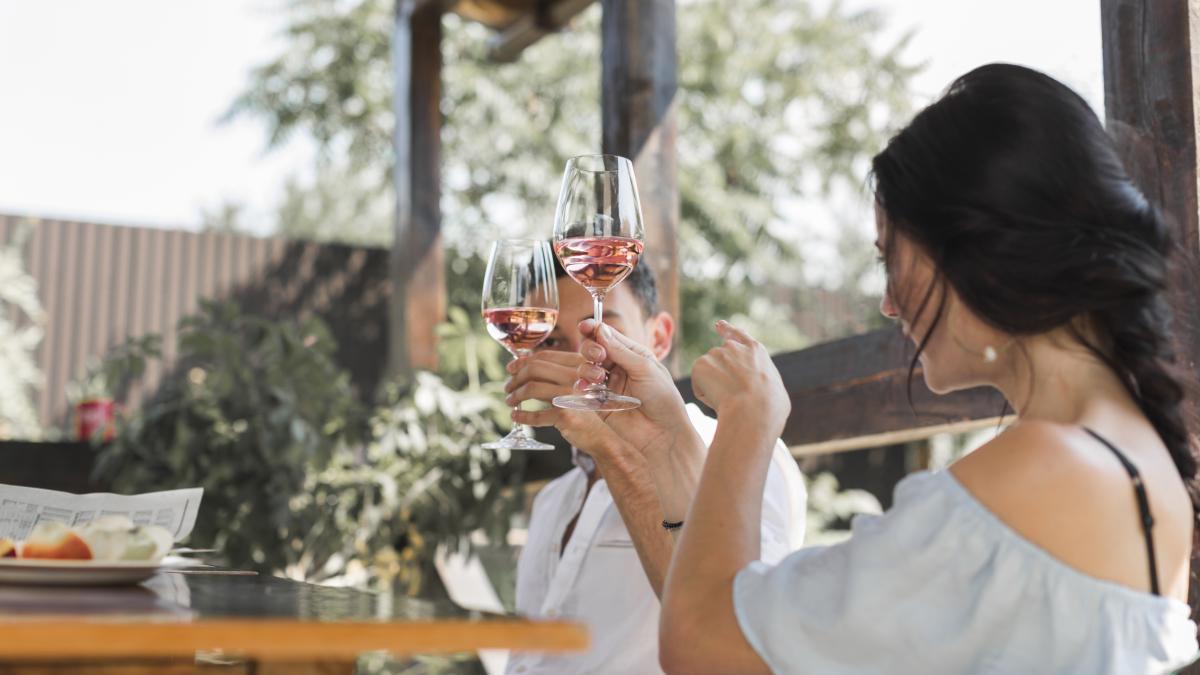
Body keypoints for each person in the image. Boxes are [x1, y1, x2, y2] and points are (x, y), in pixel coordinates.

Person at [573, 64, 1200, 674]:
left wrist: (748, 419)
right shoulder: (1144, 467)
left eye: (890, 258)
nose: (888, 302)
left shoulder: (1041, 470)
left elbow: (701, 648)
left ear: (974, 250)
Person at [502, 257, 807, 675]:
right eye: (551, 342)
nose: (581, 359)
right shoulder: (553, 500)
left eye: (601, 330)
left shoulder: (736, 453)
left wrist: (612, 449)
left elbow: (749, 639)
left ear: (659, 337)